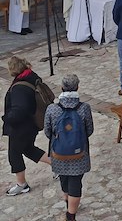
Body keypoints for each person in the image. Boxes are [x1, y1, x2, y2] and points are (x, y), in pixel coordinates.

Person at [44, 74, 93, 221]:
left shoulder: (52, 109)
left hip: (58, 153)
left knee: (64, 180)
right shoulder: (85, 108)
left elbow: (47, 132)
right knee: (75, 183)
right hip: (79, 153)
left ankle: (69, 206)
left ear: (61, 88)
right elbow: (89, 130)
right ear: (77, 87)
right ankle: (71, 215)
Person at [2, 56, 51, 196]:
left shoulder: (19, 88)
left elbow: (19, 110)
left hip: (21, 127)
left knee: (14, 154)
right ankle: (57, 165)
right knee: (28, 149)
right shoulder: (31, 76)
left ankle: (22, 184)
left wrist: (7, 118)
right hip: (32, 123)